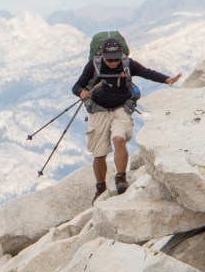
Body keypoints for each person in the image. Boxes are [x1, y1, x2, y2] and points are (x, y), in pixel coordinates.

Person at [72, 37, 182, 200]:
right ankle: (100, 187)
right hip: (98, 110)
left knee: (119, 139)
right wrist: (81, 92)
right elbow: (76, 86)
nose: (114, 62)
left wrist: (167, 79)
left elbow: (147, 73)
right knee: (99, 153)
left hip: (121, 108)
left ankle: (121, 177)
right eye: (110, 60)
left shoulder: (127, 64)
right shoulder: (93, 65)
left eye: (116, 58)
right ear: (102, 55)